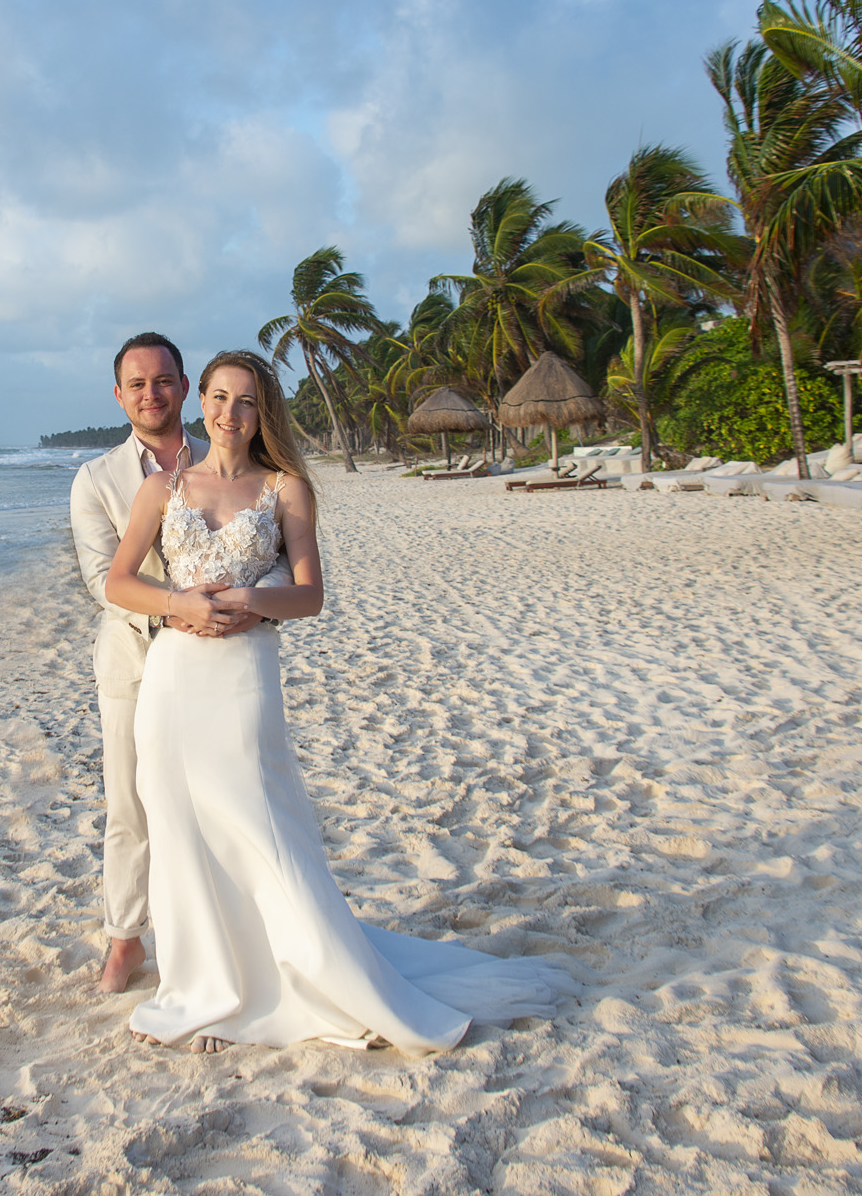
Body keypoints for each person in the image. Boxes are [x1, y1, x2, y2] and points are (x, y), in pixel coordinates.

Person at [105, 350, 573, 1055]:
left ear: (265, 413)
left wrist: (249, 599)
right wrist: (177, 604)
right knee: (181, 831)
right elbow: (117, 582)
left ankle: (308, 974)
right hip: (173, 680)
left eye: (248, 402)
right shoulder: (161, 491)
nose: (231, 414)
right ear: (200, 401)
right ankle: (206, 984)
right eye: (221, 398)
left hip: (241, 677)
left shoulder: (286, 488)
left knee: (258, 822)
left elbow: (311, 595)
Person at [67, 333, 292, 995]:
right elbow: (97, 577)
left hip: (227, 662)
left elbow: (272, 547)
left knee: (226, 800)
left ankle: (225, 935)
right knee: (133, 803)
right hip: (138, 664)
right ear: (118, 395)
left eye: (163, 381)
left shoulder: (226, 447)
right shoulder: (96, 479)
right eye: (137, 384)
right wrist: (174, 611)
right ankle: (125, 938)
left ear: (184, 387)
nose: (151, 393)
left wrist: (250, 606)